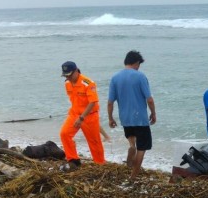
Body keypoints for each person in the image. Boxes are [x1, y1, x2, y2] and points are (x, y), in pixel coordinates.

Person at [108, 50, 156, 180]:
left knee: (131, 136)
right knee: (142, 148)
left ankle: (131, 146)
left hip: (125, 118)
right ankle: (133, 176)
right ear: (136, 63)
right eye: (139, 64)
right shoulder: (140, 76)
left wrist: (110, 118)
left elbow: (110, 102)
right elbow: (149, 99)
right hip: (140, 119)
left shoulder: (115, 78)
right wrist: (153, 113)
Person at [59, 61, 105, 167]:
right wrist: (77, 115)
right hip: (74, 114)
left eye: (69, 75)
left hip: (89, 116)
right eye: (66, 76)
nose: (68, 78)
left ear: (76, 71)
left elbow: (93, 102)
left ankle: (100, 164)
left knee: (94, 142)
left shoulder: (88, 83)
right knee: (64, 134)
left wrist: (82, 117)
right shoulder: (67, 83)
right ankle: (73, 159)